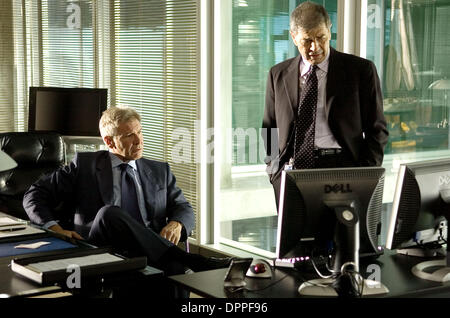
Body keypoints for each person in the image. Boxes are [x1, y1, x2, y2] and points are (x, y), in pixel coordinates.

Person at [23, 106, 232, 297]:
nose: (139, 141)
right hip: (104, 248)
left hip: (151, 252)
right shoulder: (84, 165)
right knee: (109, 213)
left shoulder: (159, 171)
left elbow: (183, 207)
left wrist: (177, 223)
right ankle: (191, 260)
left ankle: (177, 259)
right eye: (129, 135)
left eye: (139, 132)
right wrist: (55, 228)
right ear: (109, 141)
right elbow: (34, 195)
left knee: (173, 269)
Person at [262, 2, 388, 206]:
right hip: (293, 174)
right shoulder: (278, 75)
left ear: (329, 31)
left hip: (344, 170)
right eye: (306, 40)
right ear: (294, 37)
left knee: (344, 237)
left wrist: (365, 174)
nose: (315, 47)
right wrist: (274, 173)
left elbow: (378, 130)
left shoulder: (360, 71)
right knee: (297, 238)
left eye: (321, 37)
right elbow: (269, 128)